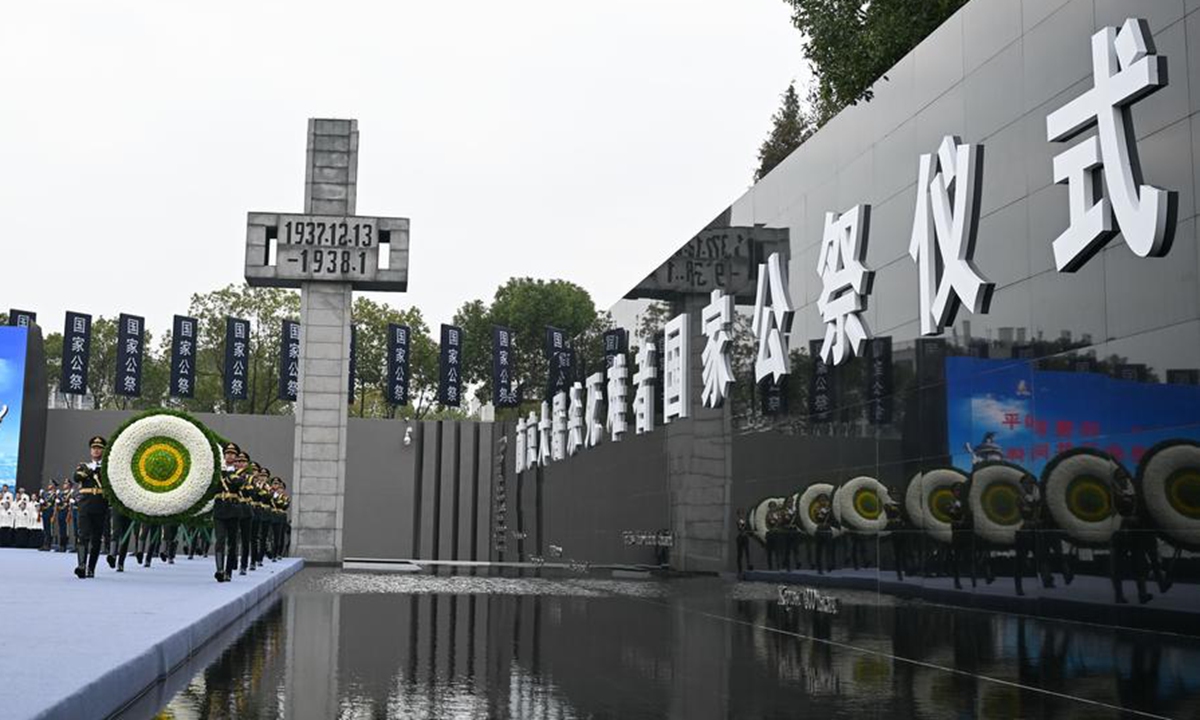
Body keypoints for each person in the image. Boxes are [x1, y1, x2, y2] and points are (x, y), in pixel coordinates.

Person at [73, 436, 110, 579]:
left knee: (96, 538)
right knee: (82, 535)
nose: (96, 450)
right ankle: (81, 565)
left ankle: (91, 568)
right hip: (85, 503)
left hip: (100, 503)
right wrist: (88, 472)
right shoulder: (84, 466)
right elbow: (77, 477)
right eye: (94, 448)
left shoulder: (107, 468)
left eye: (99, 448)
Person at [212, 443, 246, 582]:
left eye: (232, 454)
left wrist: (232, 476)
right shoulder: (217, 471)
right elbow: (212, 488)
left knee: (232, 542)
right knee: (220, 539)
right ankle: (219, 570)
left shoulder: (241, 473)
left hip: (233, 509)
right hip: (220, 508)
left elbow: (239, 485)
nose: (229, 455)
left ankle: (228, 571)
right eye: (227, 453)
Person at [735, 507, 753, 575]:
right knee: (740, 554)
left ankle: (749, 566)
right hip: (740, 538)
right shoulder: (738, 521)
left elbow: (747, 528)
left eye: (742, 513)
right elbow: (740, 528)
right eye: (740, 514)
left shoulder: (745, 521)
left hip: (745, 537)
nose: (741, 515)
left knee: (747, 552)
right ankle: (740, 569)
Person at [39, 483, 55, 551]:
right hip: (45, 511)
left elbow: (50, 502)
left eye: (50, 485)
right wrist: (40, 496)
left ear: (53, 486)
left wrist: (44, 502)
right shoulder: (45, 493)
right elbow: (42, 501)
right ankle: (44, 544)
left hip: (49, 511)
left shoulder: (54, 494)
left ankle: (48, 545)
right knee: (45, 528)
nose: (48, 486)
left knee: (48, 529)